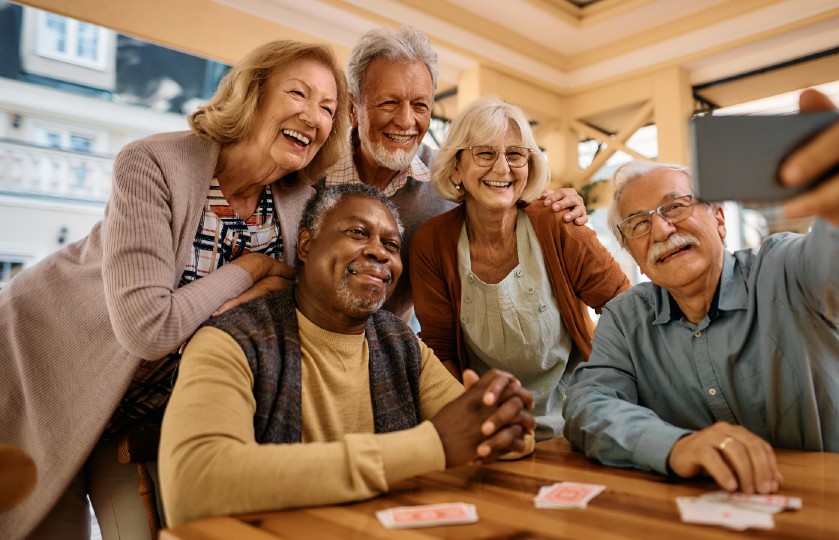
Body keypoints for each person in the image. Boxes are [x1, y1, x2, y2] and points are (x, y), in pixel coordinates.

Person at [0, 40, 350, 539]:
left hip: (141, 408)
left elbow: (287, 311)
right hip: (44, 365)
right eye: (298, 93)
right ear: (253, 94)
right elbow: (148, 327)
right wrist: (249, 269)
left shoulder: (298, 204)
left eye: (328, 108)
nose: (313, 116)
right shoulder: (152, 163)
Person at [563, 89, 839, 495]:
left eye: (674, 206)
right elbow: (588, 406)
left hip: (838, 505)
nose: (660, 230)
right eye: (638, 225)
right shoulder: (626, 318)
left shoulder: (783, 270)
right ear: (634, 256)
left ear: (719, 219)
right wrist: (675, 446)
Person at [158, 184, 535, 525]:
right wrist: (431, 446)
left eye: (391, 245)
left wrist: (505, 417)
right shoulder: (231, 341)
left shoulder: (400, 342)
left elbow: (485, 435)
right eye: (358, 233)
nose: (379, 252)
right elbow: (196, 484)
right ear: (306, 245)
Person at [320, 25, 588, 320]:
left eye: (420, 105)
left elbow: (507, 200)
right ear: (353, 109)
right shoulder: (309, 171)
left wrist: (561, 205)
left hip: (391, 348)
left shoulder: (451, 176)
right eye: (389, 102)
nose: (406, 121)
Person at [410, 97, 631, 441]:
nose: (503, 169)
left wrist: (600, 388)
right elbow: (441, 351)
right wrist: (474, 420)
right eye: (485, 153)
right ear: (456, 167)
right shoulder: (432, 242)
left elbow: (624, 309)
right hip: (492, 425)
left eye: (515, 154)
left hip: (580, 420)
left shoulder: (557, 221)